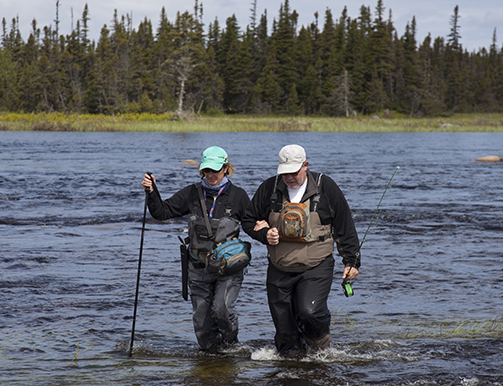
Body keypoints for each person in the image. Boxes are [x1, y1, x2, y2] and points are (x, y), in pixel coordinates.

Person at [242, 144, 360, 357]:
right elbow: (248, 219)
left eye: (294, 172)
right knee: (285, 331)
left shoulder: (326, 187)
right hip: (279, 267)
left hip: (316, 266)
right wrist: (264, 234)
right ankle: (291, 364)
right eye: (284, 173)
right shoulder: (269, 188)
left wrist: (352, 261)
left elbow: (345, 226)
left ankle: (320, 347)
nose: (289, 177)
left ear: (305, 166)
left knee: (309, 311)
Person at [141, 146, 251, 353]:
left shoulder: (239, 196)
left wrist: (268, 232)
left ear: (226, 168)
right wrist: (152, 191)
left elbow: (252, 225)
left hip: (229, 269)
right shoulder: (191, 193)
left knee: (222, 310)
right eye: (206, 170)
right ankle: (210, 358)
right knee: (202, 322)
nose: (210, 175)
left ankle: (231, 348)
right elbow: (162, 212)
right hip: (197, 268)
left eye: (215, 170)